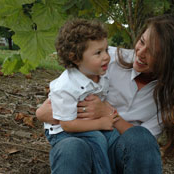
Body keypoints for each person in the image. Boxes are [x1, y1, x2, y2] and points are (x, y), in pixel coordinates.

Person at [36, 14, 174, 174]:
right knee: (71, 148)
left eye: (153, 52)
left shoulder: (171, 98)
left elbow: (144, 144)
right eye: (142, 41)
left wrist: (109, 114)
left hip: (124, 154)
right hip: (84, 143)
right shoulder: (105, 58)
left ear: (172, 60)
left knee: (140, 137)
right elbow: (46, 111)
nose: (140, 52)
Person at [43, 18, 120, 174]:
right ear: (76, 58)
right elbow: (67, 125)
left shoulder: (100, 74)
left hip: (85, 122)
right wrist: (100, 123)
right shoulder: (66, 87)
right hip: (63, 130)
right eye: (98, 53)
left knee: (114, 137)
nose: (106, 56)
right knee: (97, 139)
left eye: (106, 50)